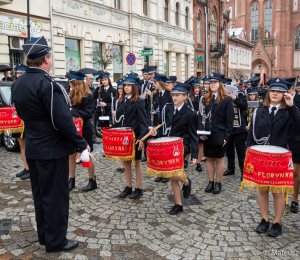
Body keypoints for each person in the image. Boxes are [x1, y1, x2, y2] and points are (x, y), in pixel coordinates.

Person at [11, 36, 89, 252]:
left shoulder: (18, 83)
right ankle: (56, 241)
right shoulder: (47, 84)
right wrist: (81, 144)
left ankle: (45, 235)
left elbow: (21, 113)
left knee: (40, 195)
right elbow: (61, 121)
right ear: (46, 58)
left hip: (34, 149)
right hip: (52, 151)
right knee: (55, 197)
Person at [246, 78, 300, 237]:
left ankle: (277, 222)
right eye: (273, 91)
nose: (275, 94)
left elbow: (298, 125)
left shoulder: (289, 111)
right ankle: (264, 219)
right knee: (262, 190)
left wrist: (291, 106)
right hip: (261, 156)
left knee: (278, 192)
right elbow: (251, 135)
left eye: (279, 91)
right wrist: (248, 153)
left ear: (284, 94)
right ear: (269, 93)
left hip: (280, 157)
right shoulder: (259, 111)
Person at [149, 82, 198, 215]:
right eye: (173, 95)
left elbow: (193, 136)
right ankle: (180, 201)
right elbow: (163, 128)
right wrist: (156, 133)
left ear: (185, 97)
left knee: (172, 174)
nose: (174, 98)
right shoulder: (168, 108)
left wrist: (195, 154)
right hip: (167, 146)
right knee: (172, 174)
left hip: (180, 147)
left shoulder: (190, 114)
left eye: (177, 95)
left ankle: (184, 186)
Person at [112, 73, 148, 199]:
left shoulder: (139, 102)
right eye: (125, 85)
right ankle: (128, 186)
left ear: (134, 87)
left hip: (135, 136)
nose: (126, 87)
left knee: (137, 162)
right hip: (123, 137)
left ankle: (138, 188)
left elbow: (144, 122)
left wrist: (142, 138)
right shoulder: (120, 101)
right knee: (126, 162)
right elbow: (118, 120)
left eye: (129, 85)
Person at [198, 73, 234, 194]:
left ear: (220, 84)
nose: (212, 85)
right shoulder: (205, 99)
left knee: (219, 159)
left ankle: (218, 183)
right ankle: (210, 182)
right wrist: (200, 133)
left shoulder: (227, 99)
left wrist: (227, 136)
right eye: (210, 83)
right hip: (207, 133)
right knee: (209, 159)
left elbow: (230, 120)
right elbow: (200, 116)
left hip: (220, 134)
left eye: (215, 82)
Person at [68, 71, 96, 192]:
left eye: (71, 83)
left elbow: (89, 114)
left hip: (84, 129)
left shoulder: (89, 96)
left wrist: (71, 111)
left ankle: (92, 181)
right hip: (71, 128)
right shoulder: (69, 95)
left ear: (77, 83)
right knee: (71, 155)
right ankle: (71, 180)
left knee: (86, 155)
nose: (69, 85)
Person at [149, 72, 173, 183]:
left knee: (166, 151)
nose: (154, 84)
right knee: (158, 151)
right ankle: (160, 172)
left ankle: (167, 173)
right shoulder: (155, 94)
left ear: (161, 83)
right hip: (157, 126)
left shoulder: (170, 95)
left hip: (167, 126)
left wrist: (168, 125)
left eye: (155, 82)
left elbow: (171, 112)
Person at [224, 78, 248, 181]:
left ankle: (243, 171)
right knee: (229, 150)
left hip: (239, 128)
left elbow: (244, 106)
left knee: (241, 151)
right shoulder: (223, 96)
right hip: (229, 128)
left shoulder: (241, 95)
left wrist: (235, 98)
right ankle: (231, 168)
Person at [283, 77, 300, 213]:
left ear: (293, 87)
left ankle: (294, 199)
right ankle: (284, 198)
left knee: (295, 173)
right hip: (282, 140)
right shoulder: (280, 100)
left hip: (296, 140)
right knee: (283, 172)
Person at [11, 64, 31, 180]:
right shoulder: (14, 85)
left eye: (21, 73)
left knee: (28, 144)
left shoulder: (27, 86)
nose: (19, 75)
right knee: (22, 145)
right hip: (17, 120)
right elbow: (11, 102)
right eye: (18, 73)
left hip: (26, 120)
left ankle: (31, 168)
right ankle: (26, 167)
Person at [184, 78, 204, 172]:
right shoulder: (188, 99)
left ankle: (199, 163)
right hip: (191, 121)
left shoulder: (202, 98)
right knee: (190, 142)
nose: (197, 90)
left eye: (198, 88)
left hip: (199, 122)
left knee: (199, 142)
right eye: (195, 88)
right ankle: (186, 159)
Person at [110, 79, 125, 173]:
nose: (120, 90)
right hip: (116, 122)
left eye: (121, 88)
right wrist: (111, 120)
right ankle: (121, 163)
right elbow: (111, 108)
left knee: (123, 145)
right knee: (118, 144)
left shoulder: (125, 99)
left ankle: (124, 165)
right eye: (118, 88)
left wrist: (117, 113)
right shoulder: (115, 99)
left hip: (123, 123)